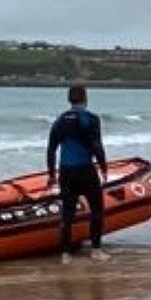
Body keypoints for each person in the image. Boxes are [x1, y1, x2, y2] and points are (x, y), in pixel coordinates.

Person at [46, 84, 109, 263]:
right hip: (85, 170)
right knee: (97, 210)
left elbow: (51, 149)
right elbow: (97, 146)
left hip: (66, 171)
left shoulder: (59, 120)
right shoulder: (91, 119)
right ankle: (96, 251)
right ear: (85, 98)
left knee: (67, 213)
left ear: (69, 99)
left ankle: (65, 254)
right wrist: (103, 167)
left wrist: (51, 175)